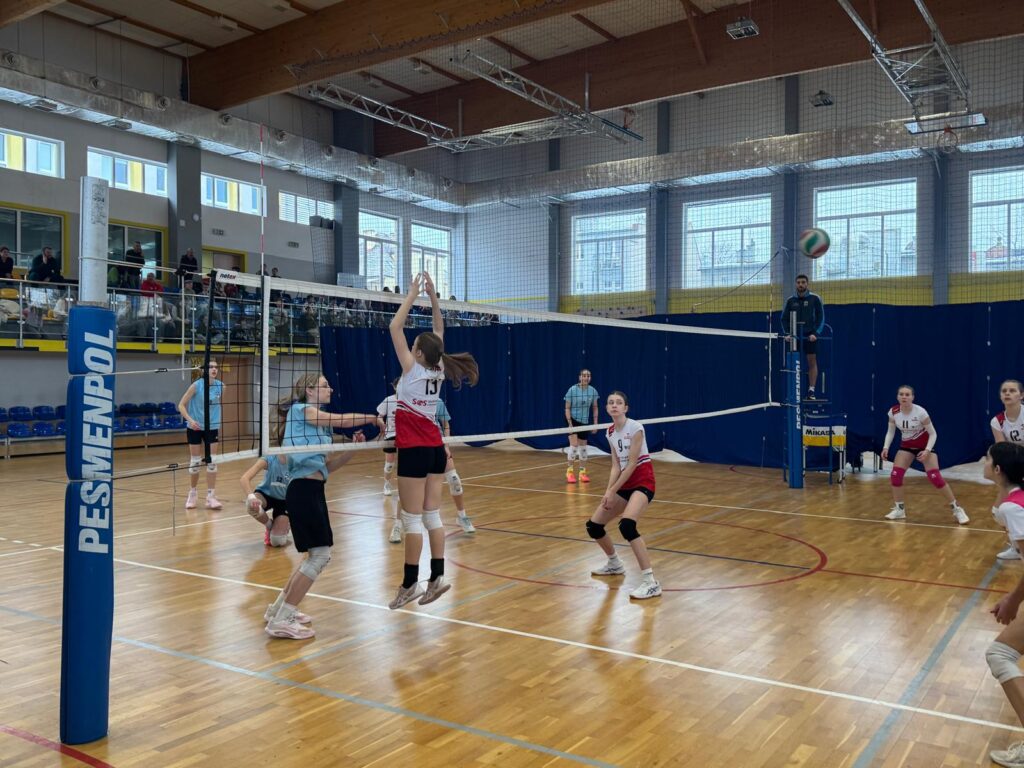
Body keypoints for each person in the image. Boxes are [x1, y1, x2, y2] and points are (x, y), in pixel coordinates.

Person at [388, 272, 478, 610]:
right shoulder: (437, 368)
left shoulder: (412, 369)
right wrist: (434, 298)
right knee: (432, 516)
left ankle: (410, 583)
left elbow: (395, 327)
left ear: (417, 353)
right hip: (436, 450)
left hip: (414, 450)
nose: (410, 347)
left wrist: (414, 294)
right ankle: (437, 577)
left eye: (413, 346)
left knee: (412, 520)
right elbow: (439, 331)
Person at [264, 374, 377, 639]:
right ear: (310, 390)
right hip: (301, 490)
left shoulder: (321, 430)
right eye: (325, 386)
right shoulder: (301, 410)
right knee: (320, 556)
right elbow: (341, 420)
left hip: (313, 489)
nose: (331, 389)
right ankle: (282, 619)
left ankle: (278, 610)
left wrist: (353, 449)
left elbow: (327, 468)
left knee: (314, 555)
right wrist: (372, 417)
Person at [587, 391, 661, 599]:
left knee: (627, 525)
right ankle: (614, 563)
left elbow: (632, 464)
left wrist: (613, 490)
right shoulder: (610, 432)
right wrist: (608, 491)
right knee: (594, 526)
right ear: (606, 408)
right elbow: (616, 465)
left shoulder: (636, 428)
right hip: (624, 483)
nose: (614, 405)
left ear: (625, 408)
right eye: (610, 402)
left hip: (643, 482)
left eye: (619, 403)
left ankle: (651, 582)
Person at [980, 441, 1024, 767]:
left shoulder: (1014, 509)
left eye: (987, 459)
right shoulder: (1013, 501)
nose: (983, 462)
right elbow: (998, 512)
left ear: (998, 469)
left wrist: (1013, 599)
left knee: (1000, 654)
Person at [881, 385, 968, 524]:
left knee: (935, 477)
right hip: (906, 447)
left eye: (907, 394)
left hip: (925, 447)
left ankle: (957, 509)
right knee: (895, 475)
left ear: (912, 397)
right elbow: (890, 431)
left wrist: (927, 450)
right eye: (901, 394)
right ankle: (899, 509)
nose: (904, 397)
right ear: (897, 396)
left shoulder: (920, 412)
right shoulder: (893, 412)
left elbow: (933, 434)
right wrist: (886, 447)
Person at [177, 360, 225, 510]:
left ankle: (211, 496)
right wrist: (190, 420)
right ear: (204, 370)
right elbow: (181, 405)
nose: (214, 369)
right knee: (195, 462)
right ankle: (192, 493)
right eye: (211, 367)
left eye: (216, 367)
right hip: (195, 427)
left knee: (212, 461)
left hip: (212, 427)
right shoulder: (196, 386)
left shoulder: (221, 386)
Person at [992, 380, 1024, 561]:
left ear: (1021, 395)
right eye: (1004, 391)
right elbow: (1002, 451)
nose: (1007, 393)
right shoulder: (997, 421)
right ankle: (1016, 546)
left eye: (1012, 390)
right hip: (1014, 466)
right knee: (999, 511)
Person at [781, 274, 825, 399]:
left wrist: (815, 333)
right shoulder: (790, 300)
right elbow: (784, 319)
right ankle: (793, 391)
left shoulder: (815, 299)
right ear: (796, 284)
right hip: (795, 337)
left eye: (803, 282)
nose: (801, 284)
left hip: (809, 336)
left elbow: (821, 318)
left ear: (807, 284)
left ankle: (811, 391)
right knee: (793, 362)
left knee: (812, 362)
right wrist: (787, 334)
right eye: (798, 282)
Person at [435, 397, 475, 534]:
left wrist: (446, 445)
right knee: (416, 488)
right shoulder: (410, 400)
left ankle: (462, 516)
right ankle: (400, 523)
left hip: (439, 444)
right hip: (421, 446)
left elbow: (446, 424)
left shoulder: (437, 401)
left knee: (454, 480)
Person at [239, 455, 291, 547]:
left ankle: (286, 524)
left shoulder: (297, 460)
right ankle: (269, 525)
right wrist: (251, 497)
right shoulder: (270, 458)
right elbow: (244, 478)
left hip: (285, 501)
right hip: (265, 495)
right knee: (251, 505)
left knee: (277, 541)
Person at [376, 380, 402, 543]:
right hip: (391, 435)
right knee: (390, 464)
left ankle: (405, 487)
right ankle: (387, 483)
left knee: (405, 464)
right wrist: (381, 422)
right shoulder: (389, 400)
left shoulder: (410, 399)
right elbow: (379, 416)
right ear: (394, 387)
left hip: (406, 435)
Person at [564, 369, 599, 484]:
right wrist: (570, 424)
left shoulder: (592, 391)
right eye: (584, 375)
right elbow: (567, 408)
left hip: (584, 421)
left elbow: (595, 407)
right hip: (572, 420)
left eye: (588, 376)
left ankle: (582, 473)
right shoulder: (572, 390)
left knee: (583, 448)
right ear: (580, 377)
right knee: (574, 446)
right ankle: (569, 472)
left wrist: (595, 424)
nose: (586, 378)